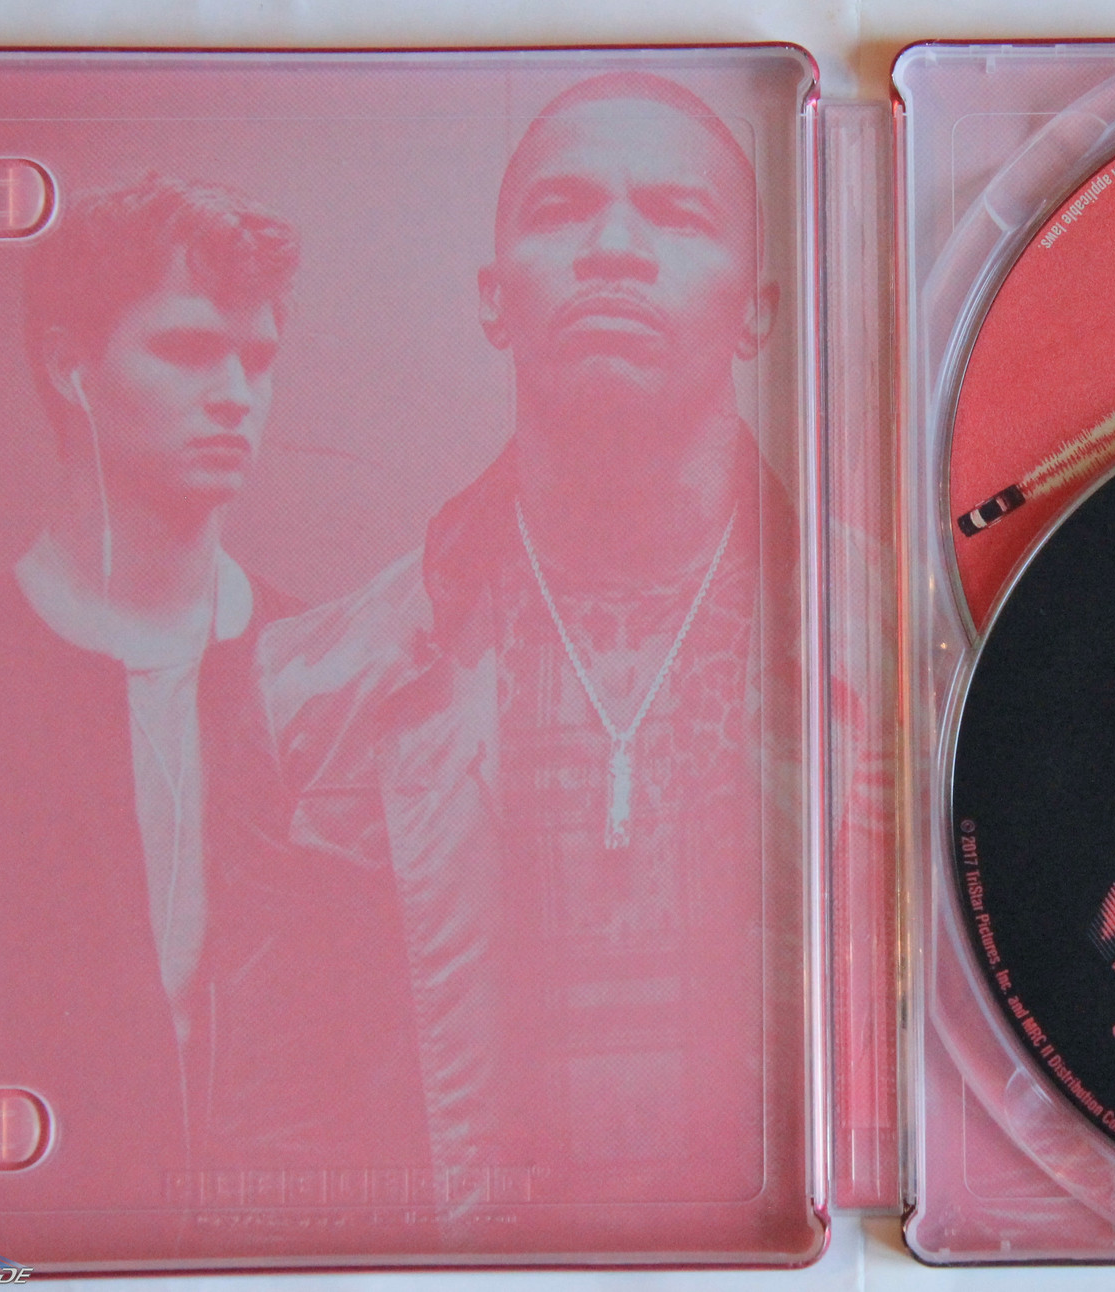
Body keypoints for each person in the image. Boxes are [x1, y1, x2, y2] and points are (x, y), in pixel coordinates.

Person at [259, 73, 814, 1253]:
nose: (613, 247)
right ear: (492, 298)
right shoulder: (316, 686)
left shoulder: (882, 651)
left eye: (676, 214)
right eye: (561, 209)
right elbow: (284, 1114)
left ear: (758, 312)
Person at [0, 175, 422, 1262]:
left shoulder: (328, 676)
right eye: (188, 350)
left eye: (258, 359)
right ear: (70, 367)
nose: (235, 393)